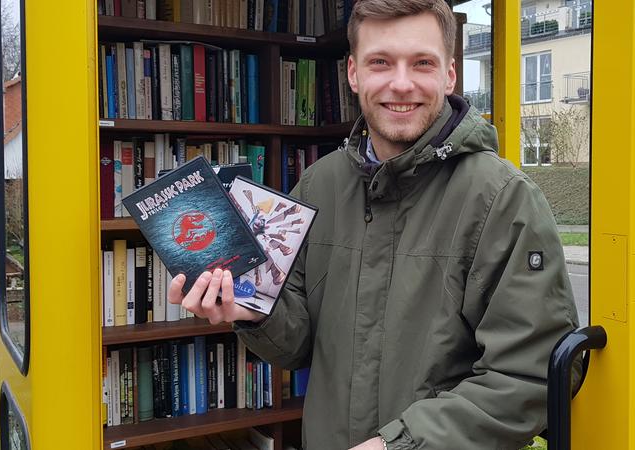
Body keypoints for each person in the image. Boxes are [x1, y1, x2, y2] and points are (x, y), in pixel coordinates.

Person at [167, 0, 579, 448]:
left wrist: (398, 445)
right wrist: (249, 312)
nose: (401, 84)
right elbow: (299, 345)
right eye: (380, 62)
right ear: (353, 73)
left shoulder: (503, 199)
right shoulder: (319, 185)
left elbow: (530, 375)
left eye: (422, 63)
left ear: (450, 74)